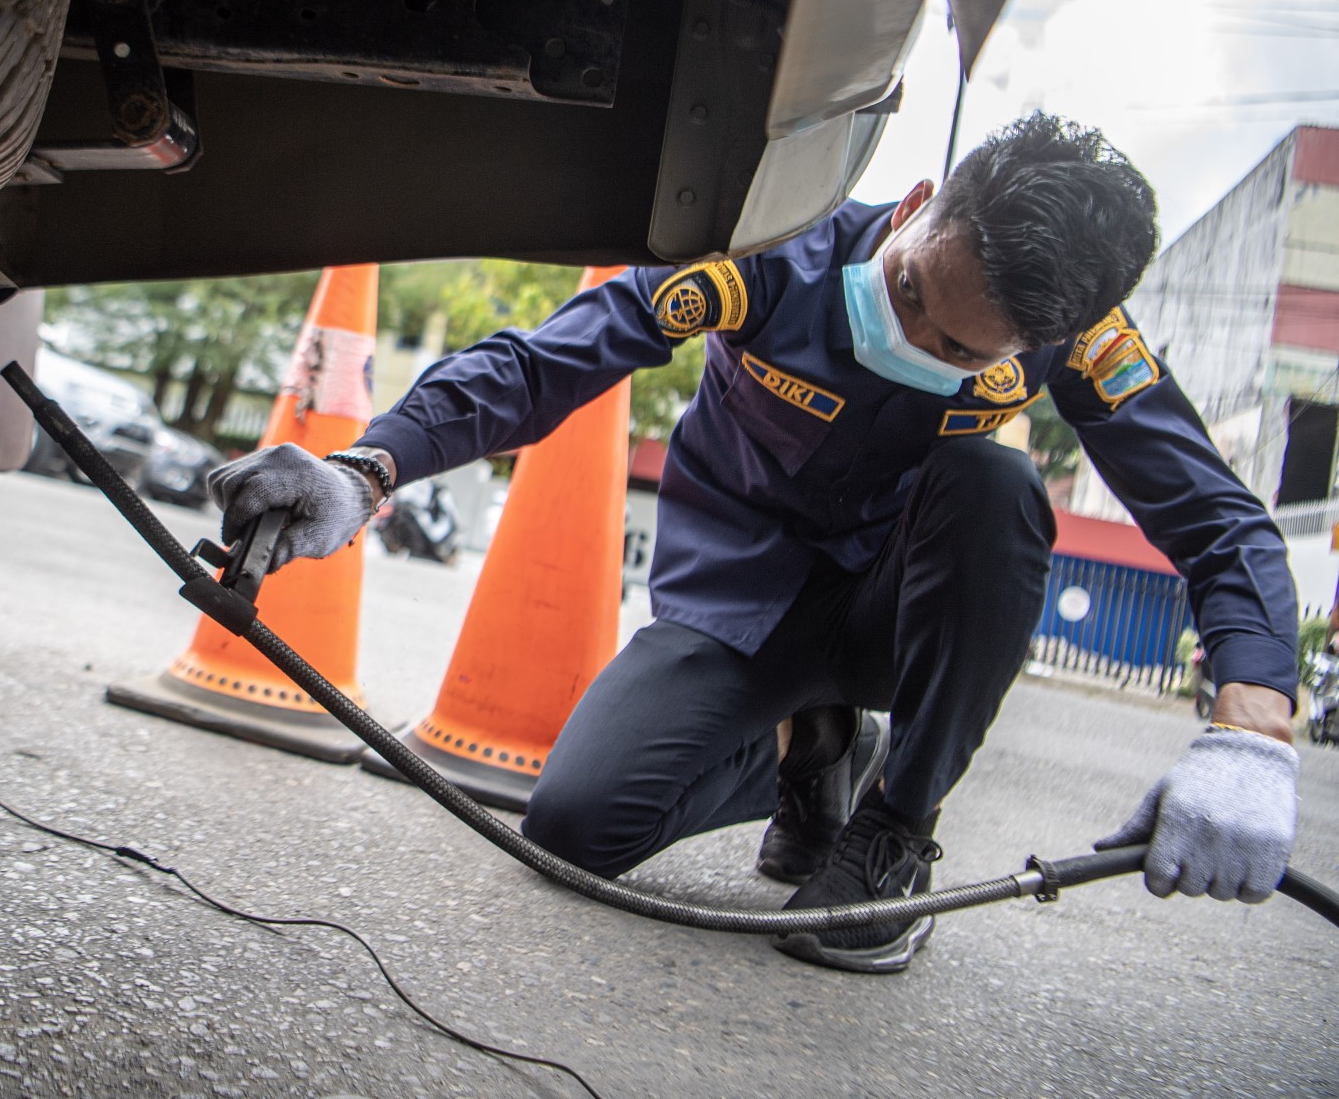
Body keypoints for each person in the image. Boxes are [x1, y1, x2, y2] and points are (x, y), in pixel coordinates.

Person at [207, 114, 1302, 974]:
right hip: (743, 604)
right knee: (578, 824)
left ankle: (892, 824)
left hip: (892, 613)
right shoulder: (772, 252)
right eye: (916, 292)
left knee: (996, 483)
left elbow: (1215, 516)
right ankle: (807, 749)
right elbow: (556, 359)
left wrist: (1253, 728)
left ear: (1040, 336)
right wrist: (369, 466)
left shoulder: (1080, 342)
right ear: (920, 204)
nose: (919, 338)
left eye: (962, 348)